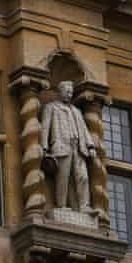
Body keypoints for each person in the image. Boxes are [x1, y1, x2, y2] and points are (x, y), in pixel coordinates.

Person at [40, 81, 96, 211]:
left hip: (78, 146)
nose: (69, 94)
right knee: (63, 177)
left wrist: (90, 146)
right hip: (61, 146)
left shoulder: (76, 111)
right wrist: (43, 147)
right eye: (67, 91)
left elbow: (83, 129)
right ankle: (62, 205)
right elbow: (45, 128)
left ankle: (84, 205)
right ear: (60, 92)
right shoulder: (51, 107)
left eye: (71, 92)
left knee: (83, 176)